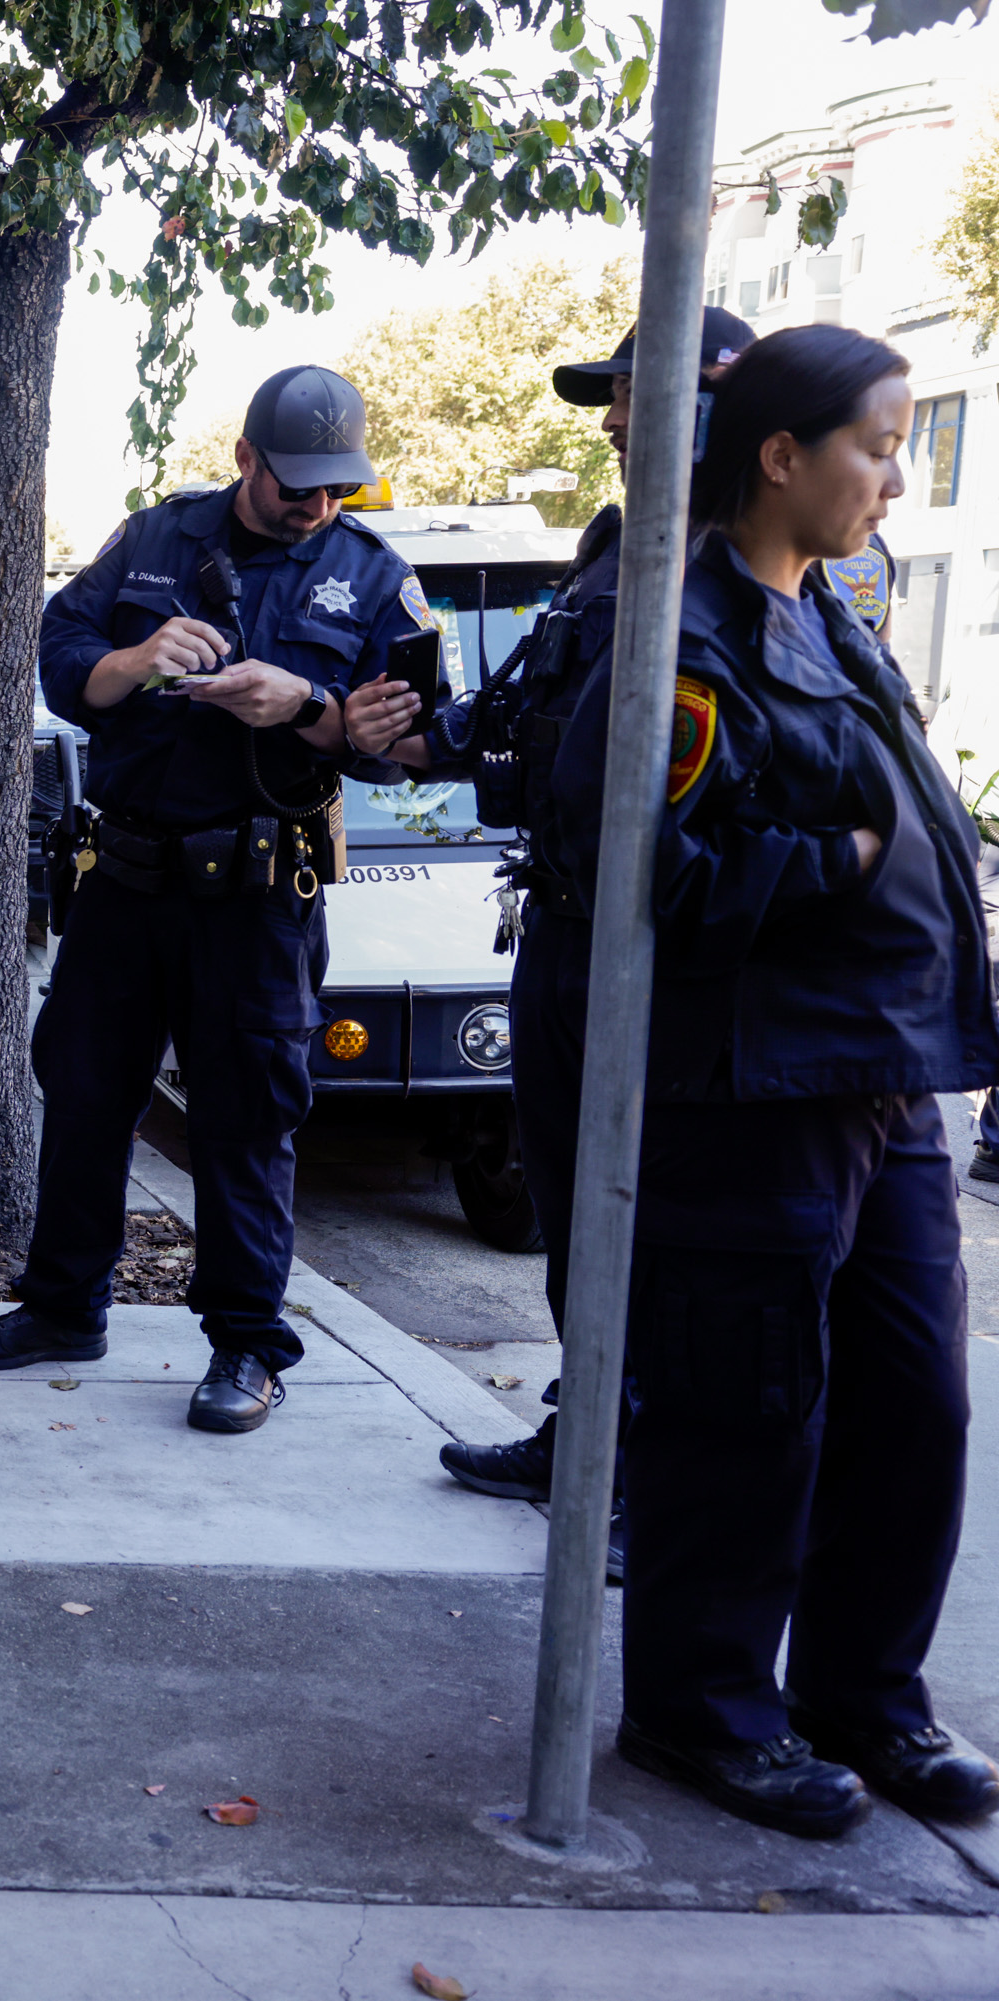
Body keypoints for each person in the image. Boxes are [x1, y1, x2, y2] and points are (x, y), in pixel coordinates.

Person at [549, 323, 998, 1837]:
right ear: (784, 456)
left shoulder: (844, 620)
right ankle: (704, 1710)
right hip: (754, 1090)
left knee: (915, 1407)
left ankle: (865, 1700)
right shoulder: (680, 630)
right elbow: (632, 867)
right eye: (878, 442)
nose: (892, 471)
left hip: (883, 1078)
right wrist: (838, 865)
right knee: (749, 1418)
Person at [0, 366, 423, 1433]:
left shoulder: (369, 574)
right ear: (247, 458)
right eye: (296, 484)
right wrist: (133, 658)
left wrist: (307, 706)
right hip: (125, 881)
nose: (315, 506)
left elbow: (406, 740)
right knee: (82, 1095)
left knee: (248, 1124)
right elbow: (60, 654)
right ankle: (63, 1308)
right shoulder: (157, 539)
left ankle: (248, 1347)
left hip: (258, 897)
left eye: (334, 487)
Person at [368, 310, 750, 1555]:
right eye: (612, 398)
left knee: (665, 1223)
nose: (612, 419)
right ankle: (584, 1434)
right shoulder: (611, 550)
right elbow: (521, 723)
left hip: (674, 955)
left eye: (636, 397)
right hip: (568, 933)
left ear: (720, 400)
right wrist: (399, 731)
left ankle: (649, 1477)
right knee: (574, 1202)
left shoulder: (756, 554)